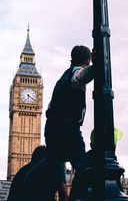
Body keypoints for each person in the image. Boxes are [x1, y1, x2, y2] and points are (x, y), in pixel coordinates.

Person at [44, 45, 94, 200]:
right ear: (88, 59)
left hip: (51, 127)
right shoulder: (75, 72)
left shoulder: (62, 77)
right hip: (67, 127)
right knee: (83, 165)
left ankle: (64, 196)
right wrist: (97, 66)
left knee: (56, 164)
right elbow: (80, 77)